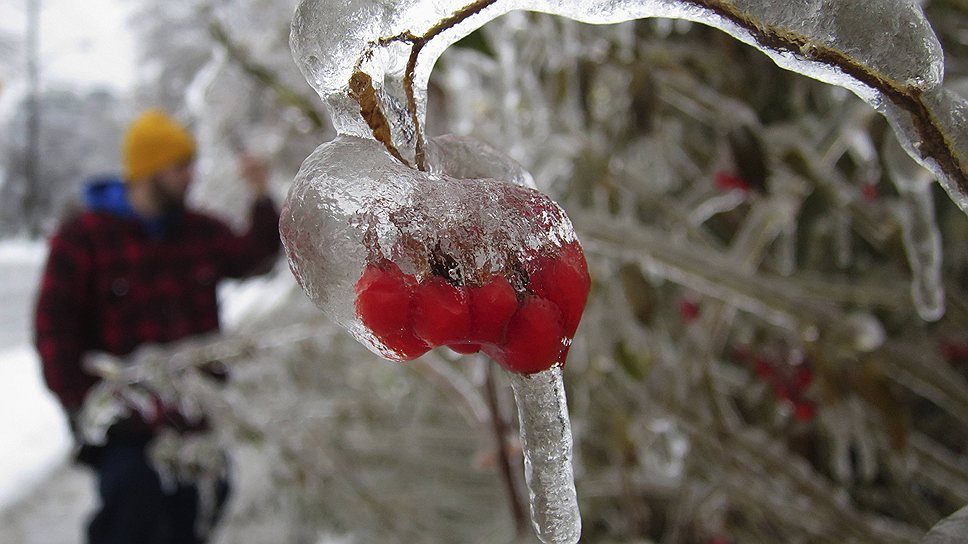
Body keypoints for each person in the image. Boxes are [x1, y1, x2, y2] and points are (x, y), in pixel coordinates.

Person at [33, 109, 282, 544]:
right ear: (148, 171)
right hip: (127, 429)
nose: (191, 176)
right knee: (131, 517)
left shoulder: (197, 231)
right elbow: (54, 328)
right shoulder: (85, 236)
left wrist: (261, 194)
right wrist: (85, 407)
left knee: (204, 507)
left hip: (195, 417)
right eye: (180, 167)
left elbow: (255, 257)